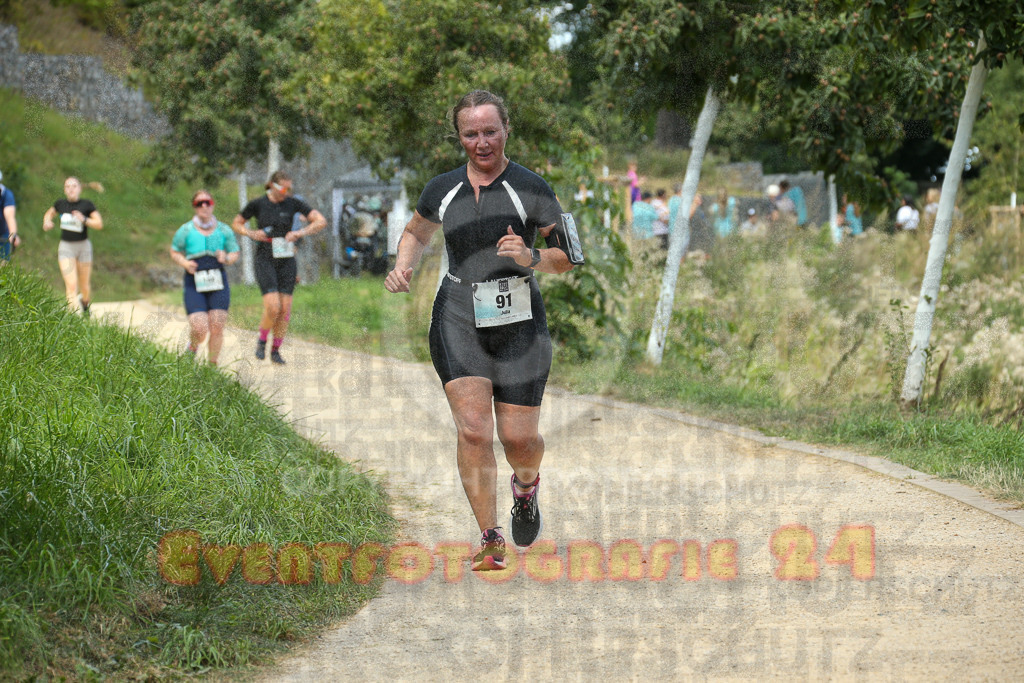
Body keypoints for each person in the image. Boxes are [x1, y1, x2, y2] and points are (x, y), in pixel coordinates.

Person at [384, 90, 583, 571]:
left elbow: (569, 256)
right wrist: (403, 265)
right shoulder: (442, 188)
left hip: (519, 320)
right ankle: (490, 537)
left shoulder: (532, 187)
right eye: (471, 134)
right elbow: (415, 232)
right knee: (474, 430)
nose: (482, 142)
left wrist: (531, 256)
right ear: (459, 137)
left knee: (519, 440)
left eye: (490, 131)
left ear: (506, 130)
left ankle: (526, 489)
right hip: (457, 314)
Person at [232, 171, 326, 365]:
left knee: (285, 309)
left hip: (286, 258)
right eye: (283, 188)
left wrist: (300, 233)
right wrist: (250, 233)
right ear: (272, 186)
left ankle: (276, 349)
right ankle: (262, 340)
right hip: (265, 257)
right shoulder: (258, 204)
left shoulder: (292, 203)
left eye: (289, 188)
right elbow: (237, 223)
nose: (286, 192)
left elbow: (320, 221)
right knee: (273, 306)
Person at [170, 191, 240, 365]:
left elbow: (234, 252)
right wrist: (185, 263)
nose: (204, 206)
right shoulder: (186, 230)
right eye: (199, 203)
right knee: (200, 328)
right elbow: (174, 251)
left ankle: (211, 367)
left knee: (217, 326)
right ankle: (193, 347)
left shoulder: (223, 229)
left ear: (212, 204)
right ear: (194, 206)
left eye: (207, 202)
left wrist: (227, 258)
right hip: (194, 281)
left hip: (218, 280)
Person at [42, 176, 103, 315]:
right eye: (67, 186)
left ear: (80, 188)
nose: (71, 189)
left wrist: (84, 219)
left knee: (84, 286)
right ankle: (72, 317)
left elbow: (99, 224)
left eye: (74, 186)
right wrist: (47, 221)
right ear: (64, 190)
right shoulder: (60, 204)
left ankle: (85, 305)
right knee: (71, 284)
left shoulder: (87, 205)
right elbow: (49, 213)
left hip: (83, 247)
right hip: (66, 247)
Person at [0, 169, 19, 262]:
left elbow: (10, 216)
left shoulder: (7, 195)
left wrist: (13, 234)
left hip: (3, 235)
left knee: (3, 265)